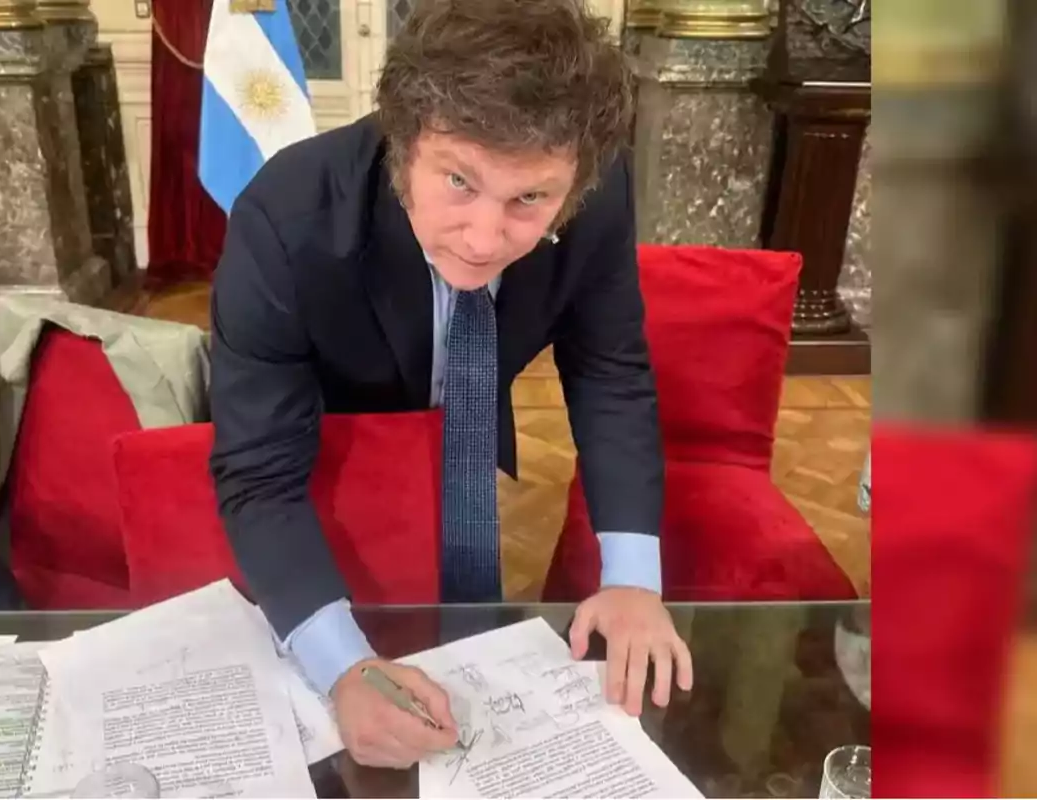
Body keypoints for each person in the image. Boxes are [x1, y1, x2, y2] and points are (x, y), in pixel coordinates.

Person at [209, 0, 693, 769]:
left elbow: (608, 370)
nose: (484, 238)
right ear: (404, 147)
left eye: (529, 200)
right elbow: (259, 473)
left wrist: (634, 579)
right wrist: (344, 666)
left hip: (462, 418)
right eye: (460, 182)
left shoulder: (594, 186)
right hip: (331, 443)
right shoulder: (285, 217)